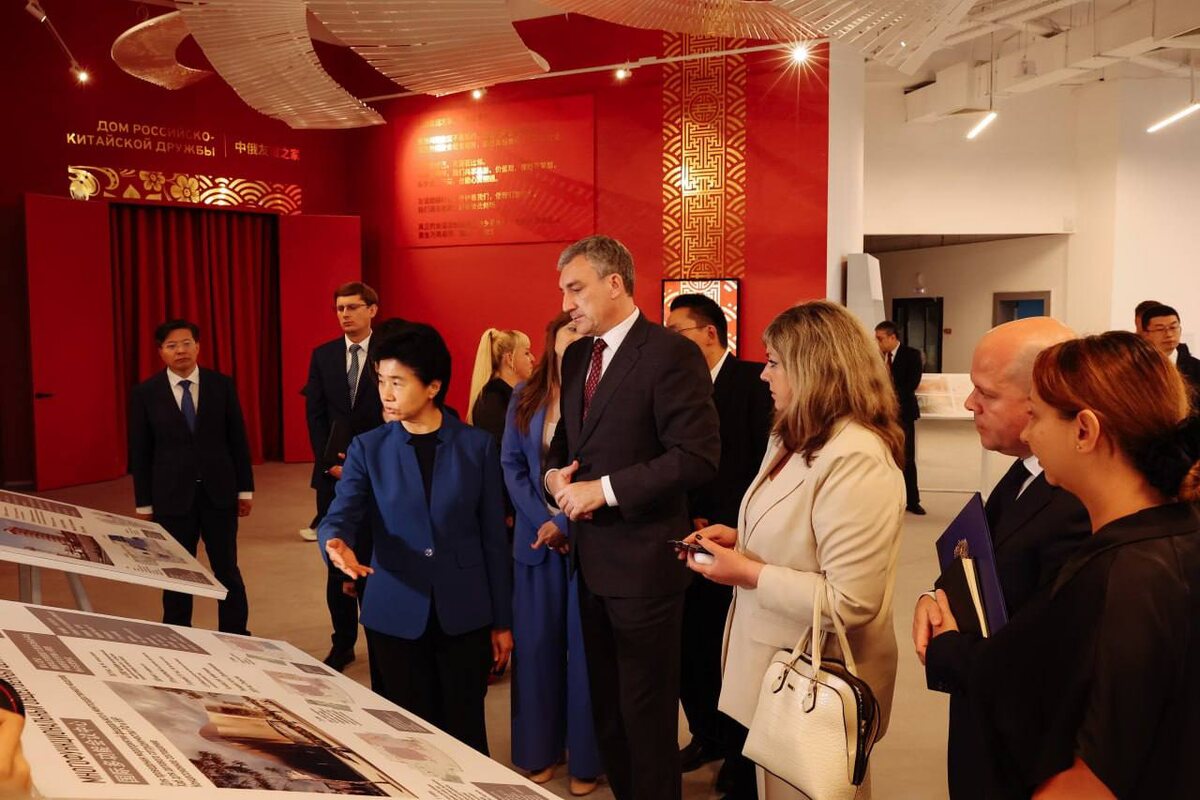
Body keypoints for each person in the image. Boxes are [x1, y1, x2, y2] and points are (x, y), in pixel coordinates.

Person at [928, 331, 1200, 798]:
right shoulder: (1163, 537)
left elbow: (1097, 775)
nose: (1028, 434)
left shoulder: (1128, 574)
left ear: (1084, 431)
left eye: (1035, 416)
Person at [684, 300, 905, 799]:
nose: (764, 375)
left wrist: (746, 572)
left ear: (815, 369)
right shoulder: (792, 436)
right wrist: (740, 539)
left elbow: (851, 601)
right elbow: (803, 536)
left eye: (774, 363)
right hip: (773, 669)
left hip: (813, 681)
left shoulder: (856, 458)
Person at [541, 235, 720, 800]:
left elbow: (696, 456)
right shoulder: (576, 356)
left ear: (614, 282)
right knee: (609, 713)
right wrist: (555, 480)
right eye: (564, 291)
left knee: (646, 717)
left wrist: (604, 491)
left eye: (576, 288)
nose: (567, 304)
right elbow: (564, 447)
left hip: (645, 568)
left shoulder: (670, 354)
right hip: (589, 564)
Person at [913, 317, 1090, 799]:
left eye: (986, 393)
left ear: (1042, 399)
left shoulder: (1078, 500)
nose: (970, 403)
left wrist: (946, 649)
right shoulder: (1025, 471)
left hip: (1024, 754)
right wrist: (936, 596)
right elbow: (983, 555)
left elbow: (1042, 661)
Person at [318, 325, 512, 755]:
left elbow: (494, 541)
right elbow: (342, 513)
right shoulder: (368, 448)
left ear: (433, 387)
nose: (385, 394)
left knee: (464, 732)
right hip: (395, 609)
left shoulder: (477, 447)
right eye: (381, 381)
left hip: (464, 612)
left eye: (398, 382)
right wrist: (334, 541)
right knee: (406, 740)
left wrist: (502, 621)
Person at [666, 293, 771, 799]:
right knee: (690, 650)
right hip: (686, 539)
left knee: (730, 653)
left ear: (710, 332)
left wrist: (729, 520)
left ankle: (737, 753)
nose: (670, 342)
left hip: (736, 543)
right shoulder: (674, 386)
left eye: (678, 331)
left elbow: (761, 465)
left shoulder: (753, 382)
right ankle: (705, 734)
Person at [501, 312, 601, 796]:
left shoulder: (601, 394)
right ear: (552, 342)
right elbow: (511, 463)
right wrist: (540, 519)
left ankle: (587, 759)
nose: (576, 339)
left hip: (588, 536)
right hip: (534, 542)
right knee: (536, 649)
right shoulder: (526, 395)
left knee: (585, 654)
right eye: (568, 333)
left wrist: (564, 522)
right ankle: (539, 751)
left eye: (583, 332)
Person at [127, 319, 253, 635]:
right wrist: (144, 503)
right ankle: (179, 633)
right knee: (177, 571)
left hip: (219, 494)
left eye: (186, 343)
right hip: (171, 497)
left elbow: (238, 440)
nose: (180, 350)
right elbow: (141, 452)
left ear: (198, 346)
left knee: (226, 568)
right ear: (161, 352)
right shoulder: (145, 393)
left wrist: (245, 490)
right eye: (172, 346)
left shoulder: (221, 385)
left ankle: (236, 634)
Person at [303, 281, 384, 671]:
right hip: (332, 475)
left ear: (372, 310)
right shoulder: (323, 356)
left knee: (374, 559)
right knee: (336, 558)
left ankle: (381, 638)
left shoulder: (388, 353)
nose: (345, 314)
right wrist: (329, 462)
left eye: (353, 307)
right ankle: (343, 642)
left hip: (381, 474)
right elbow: (315, 416)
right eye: (340, 308)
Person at [874, 320, 925, 514]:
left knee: (907, 456)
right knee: (882, 456)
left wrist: (888, 399)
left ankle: (912, 500)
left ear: (892, 337)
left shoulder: (912, 355)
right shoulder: (876, 357)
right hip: (880, 414)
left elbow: (911, 384)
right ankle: (886, 498)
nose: (877, 343)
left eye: (880, 339)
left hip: (903, 413)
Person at [467, 328, 534, 441]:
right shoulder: (492, 400)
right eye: (526, 353)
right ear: (510, 358)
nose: (532, 359)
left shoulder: (512, 396)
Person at [1139, 303, 1200, 397]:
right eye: (1160, 329)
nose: (1169, 334)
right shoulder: (1136, 367)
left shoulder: (1196, 368)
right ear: (1145, 334)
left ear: (1180, 330)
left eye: (1173, 327)